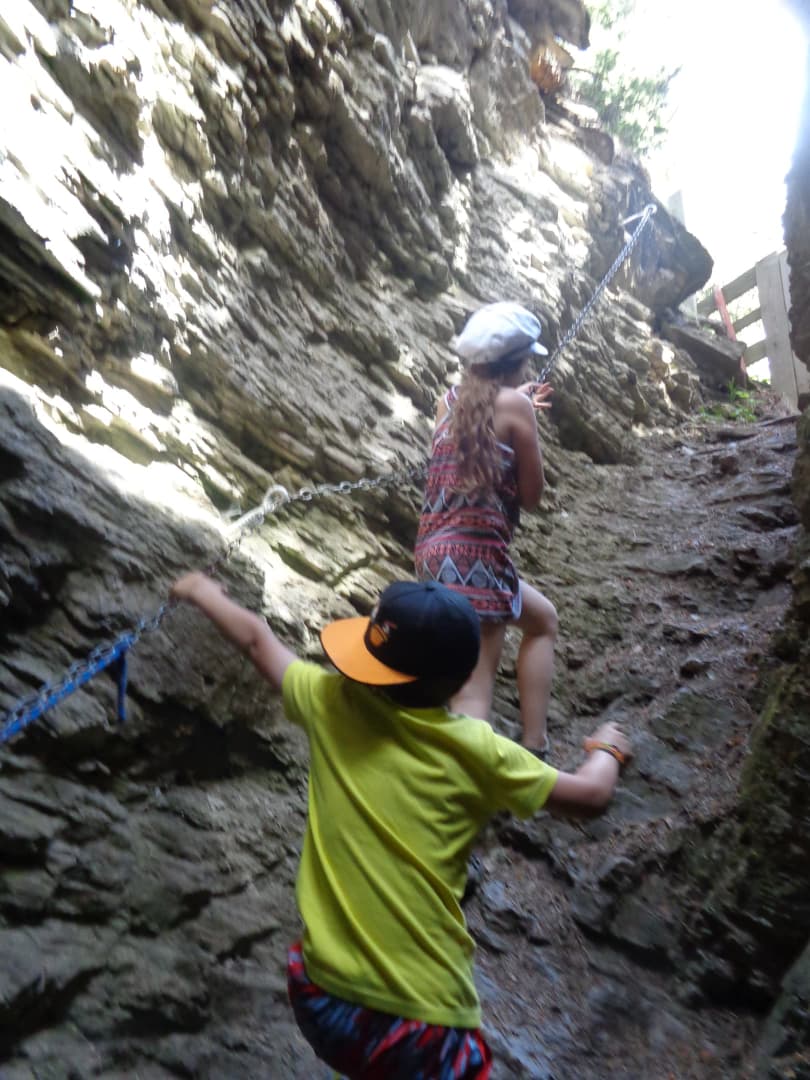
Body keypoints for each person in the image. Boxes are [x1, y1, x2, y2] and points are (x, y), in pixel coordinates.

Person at [170, 572, 632, 1079]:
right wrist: (606, 749)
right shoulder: (481, 752)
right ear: (463, 679)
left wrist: (203, 592)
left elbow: (257, 640)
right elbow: (590, 797)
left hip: (319, 998)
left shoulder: (331, 702)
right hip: (418, 1020)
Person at [415, 301, 558, 755]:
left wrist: (518, 406)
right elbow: (532, 497)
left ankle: (534, 745)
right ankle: (476, 784)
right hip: (475, 565)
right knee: (472, 696)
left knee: (542, 619)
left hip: (432, 559)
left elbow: (473, 436)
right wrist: (525, 416)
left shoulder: (447, 403)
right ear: (517, 363)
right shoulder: (517, 407)